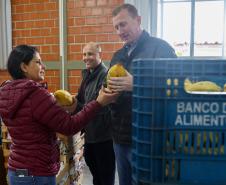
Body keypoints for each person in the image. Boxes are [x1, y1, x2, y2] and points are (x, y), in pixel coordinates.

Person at [0, 44, 118, 185]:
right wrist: (98, 103)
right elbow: (69, 126)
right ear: (24, 67)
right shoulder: (37, 95)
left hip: (16, 170)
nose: (44, 66)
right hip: (37, 172)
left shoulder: (5, 93)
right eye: (38, 62)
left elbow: (31, 123)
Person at [108, 4, 177, 185]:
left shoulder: (161, 49)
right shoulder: (117, 55)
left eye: (123, 24)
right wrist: (108, 93)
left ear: (138, 20)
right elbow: (109, 86)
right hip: (120, 137)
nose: (119, 31)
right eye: (116, 27)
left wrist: (138, 84)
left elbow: (174, 87)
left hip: (149, 138)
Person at [75, 42, 115, 185]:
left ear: (100, 55)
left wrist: (77, 107)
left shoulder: (105, 75)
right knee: (95, 173)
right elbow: (81, 99)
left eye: (90, 54)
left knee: (105, 176)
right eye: (84, 54)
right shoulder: (87, 74)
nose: (86, 57)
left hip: (103, 135)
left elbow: (96, 103)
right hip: (90, 134)